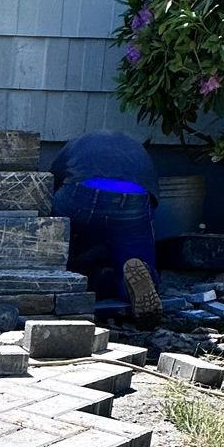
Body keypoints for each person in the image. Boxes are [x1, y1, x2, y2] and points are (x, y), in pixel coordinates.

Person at [50, 128, 164, 327]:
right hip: (133, 200)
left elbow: (51, 181)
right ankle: (135, 276)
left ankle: (53, 269)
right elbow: (152, 202)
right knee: (134, 258)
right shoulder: (137, 149)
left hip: (79, 193)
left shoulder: (76, 143)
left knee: (52, 222)